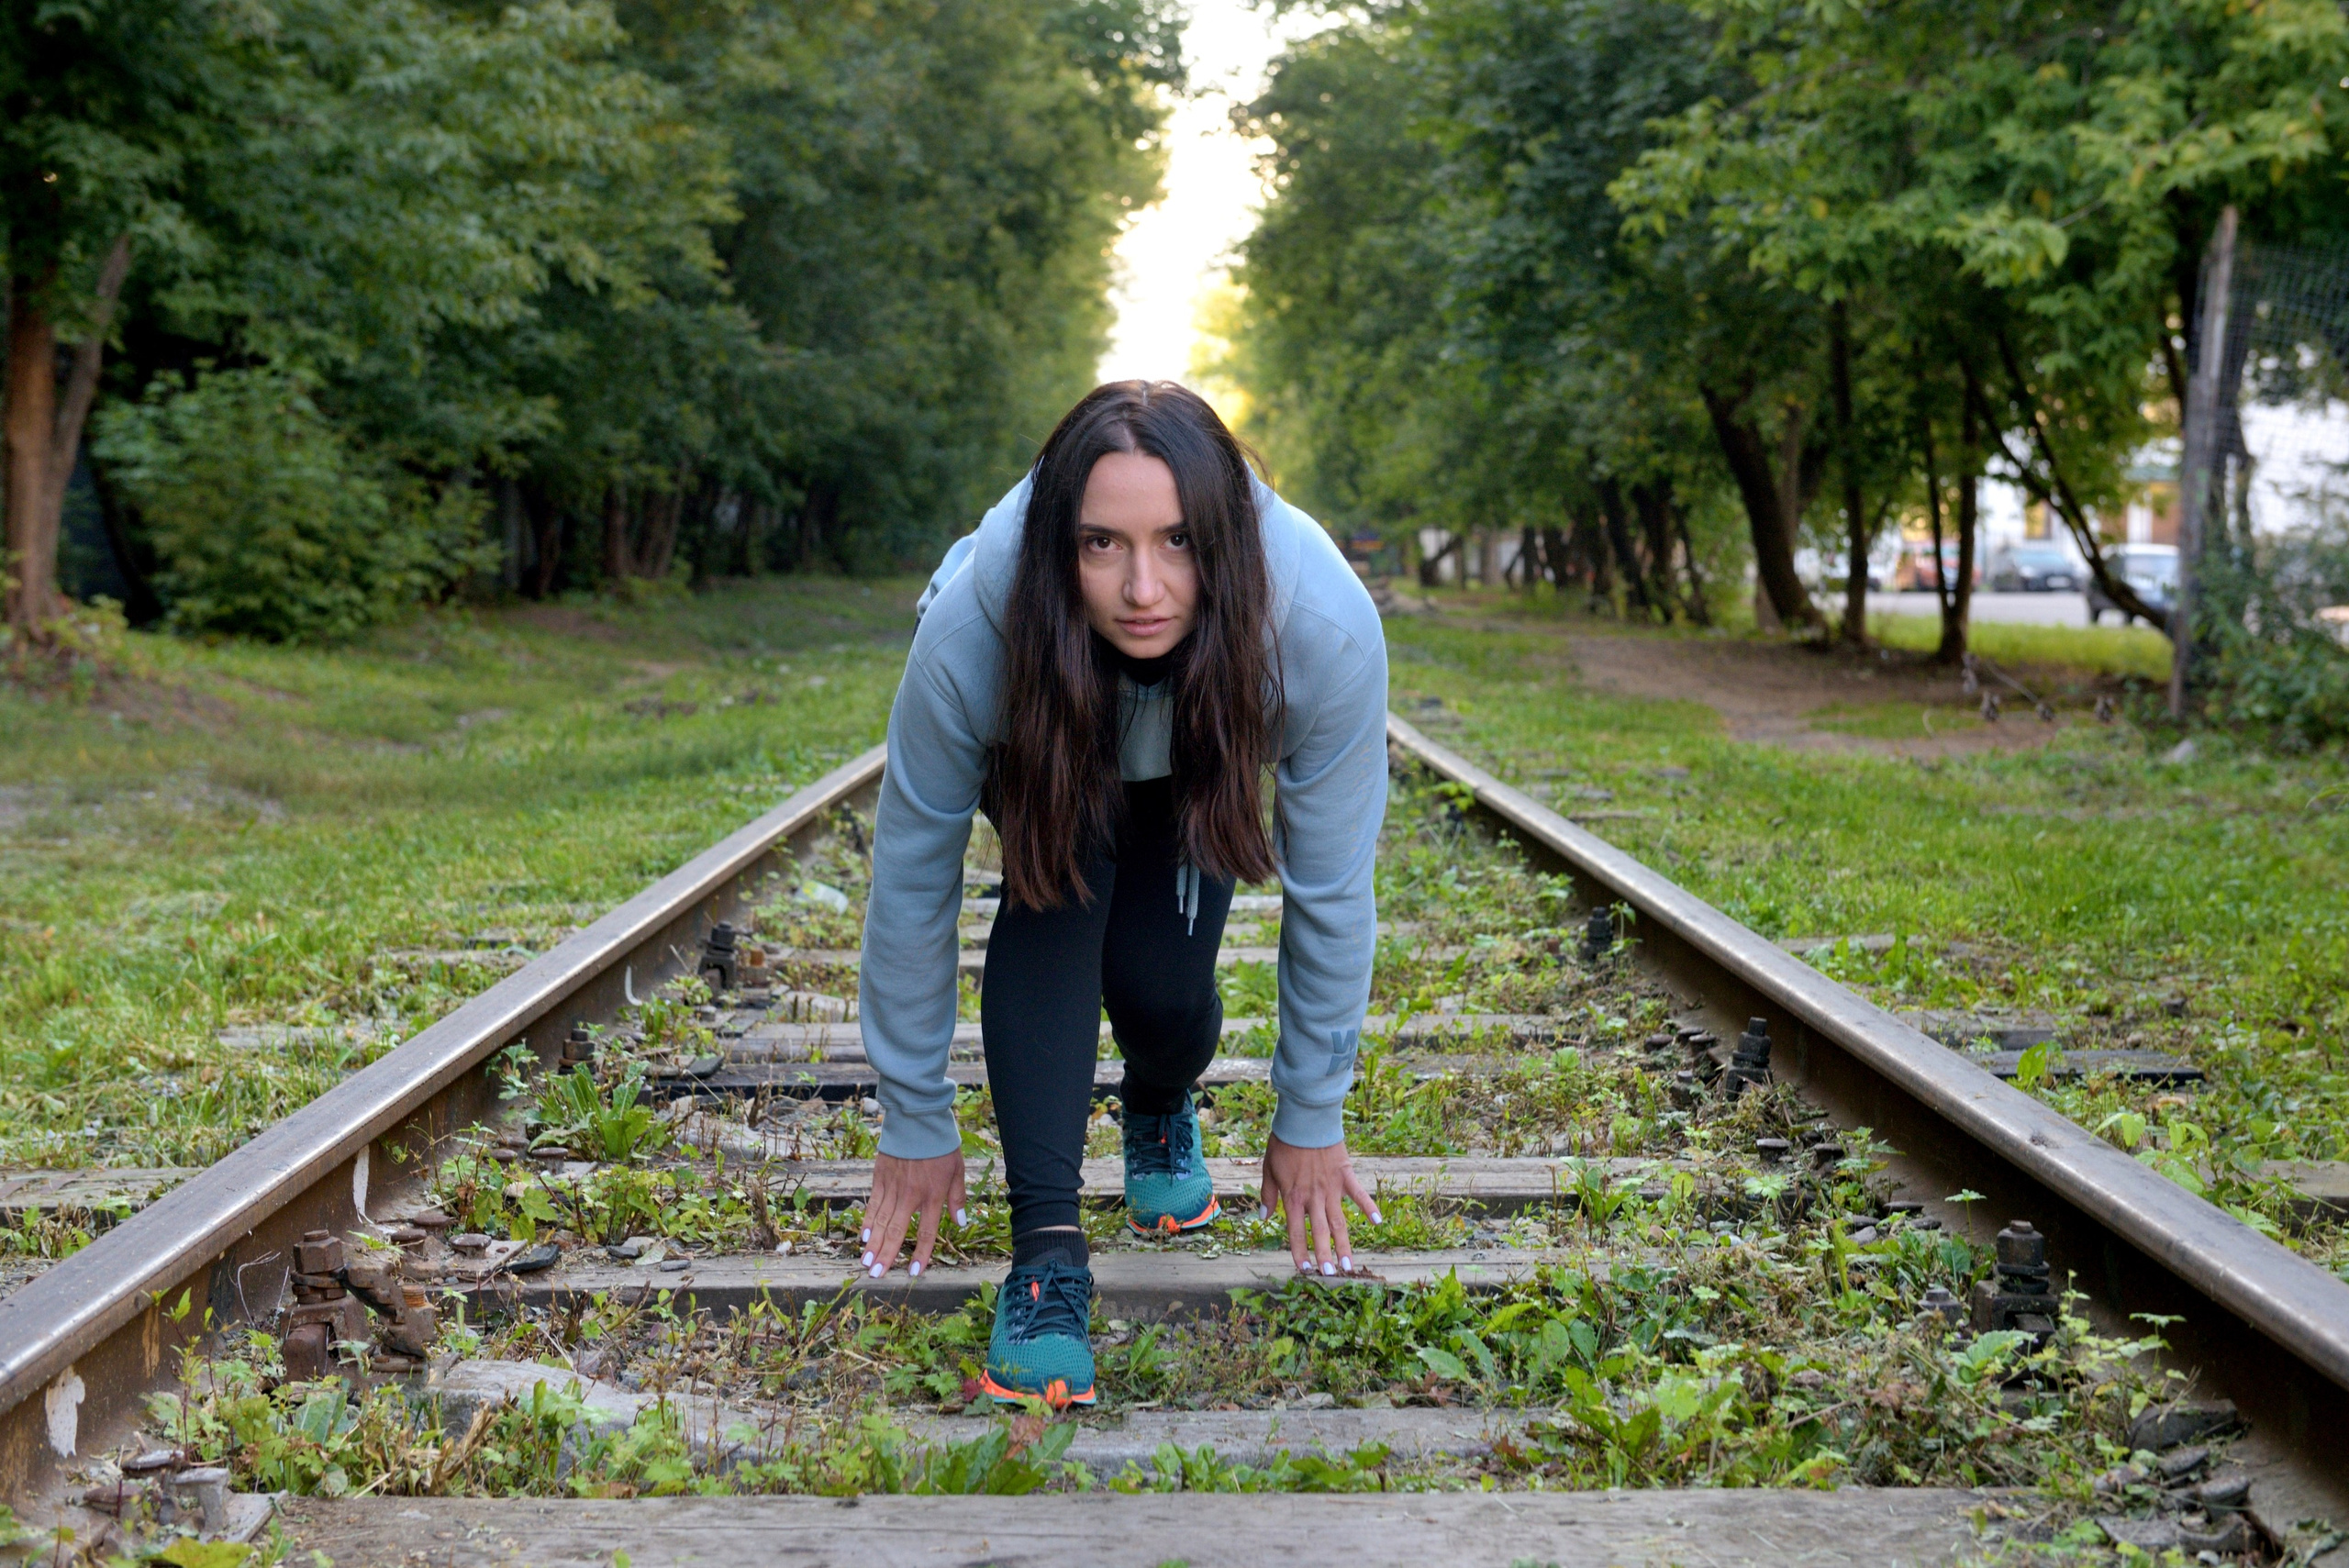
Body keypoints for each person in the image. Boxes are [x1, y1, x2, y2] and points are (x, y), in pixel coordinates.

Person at [854, 381, 1388, 1407]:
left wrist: (1311, 1111)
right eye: (1102, 544)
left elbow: (1331, 888)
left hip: (1203, 734)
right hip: (1054, 728)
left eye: (1178, 541)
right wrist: (913, 1114)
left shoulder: (1319, 629)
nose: (1143, 587)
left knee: (1162, 994)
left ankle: (1158, 1101)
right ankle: (1046, 1262)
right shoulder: (973, 633)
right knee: (1060, 895)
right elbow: (912, 876)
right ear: (1060, 545)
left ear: (1222, 535)